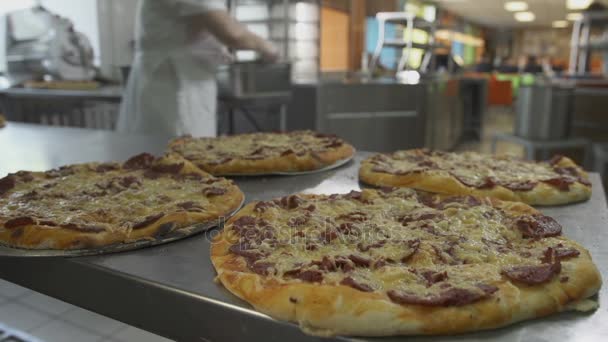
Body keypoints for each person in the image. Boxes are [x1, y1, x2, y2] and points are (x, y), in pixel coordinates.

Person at [117, 0, 279, 138]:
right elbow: (232, 33)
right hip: (174, 86)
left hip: (166, 80)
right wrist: (268, 47)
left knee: (153, 161)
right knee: (177, 162)